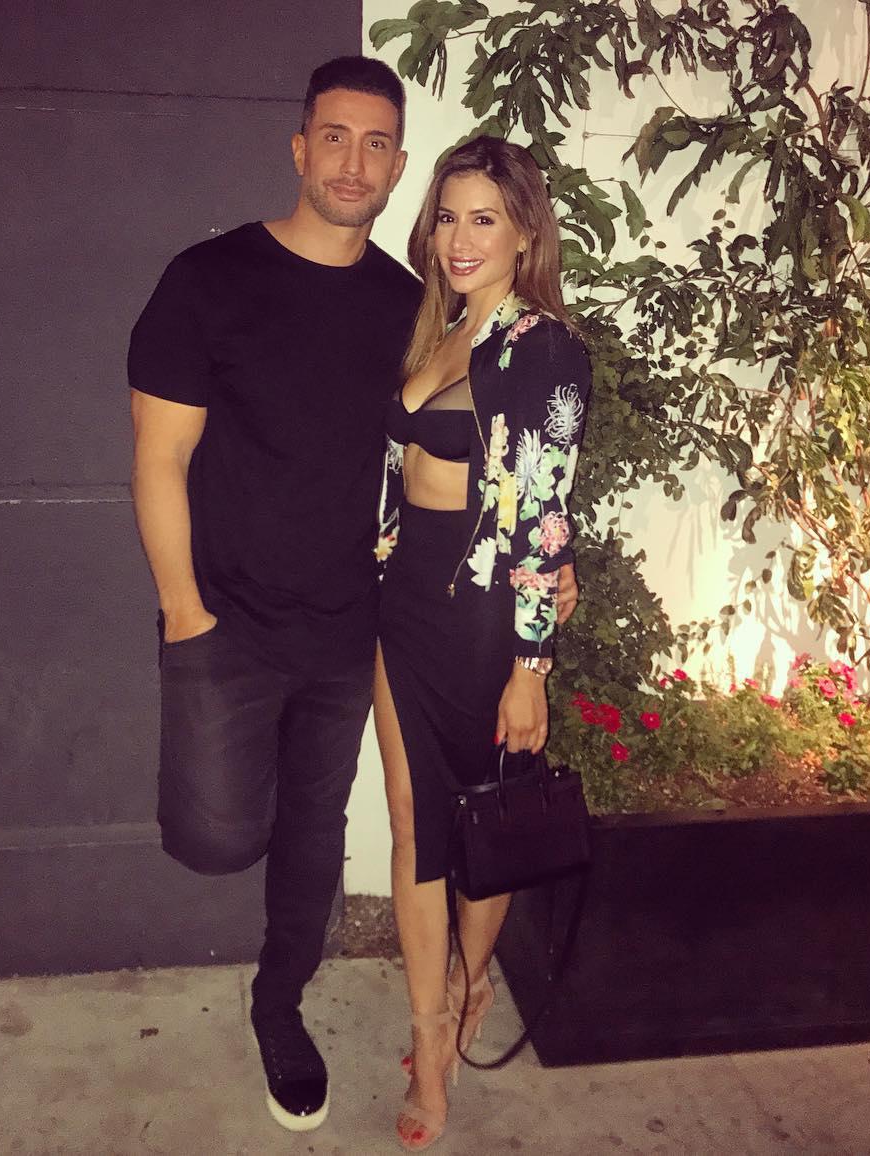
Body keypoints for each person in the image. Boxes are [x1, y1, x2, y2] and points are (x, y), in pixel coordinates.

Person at [126, 57, 419, 1131]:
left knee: (311, 832)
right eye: (335, 136)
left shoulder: (409, 307)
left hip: (346, 630)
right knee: (214, 837)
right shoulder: (207, 281)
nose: (353, 161)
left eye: (376, 143)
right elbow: (158, 457)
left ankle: (279, 1004)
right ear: (300, 148)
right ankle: (262, 945)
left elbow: (455, 454)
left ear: (397, 166)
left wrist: (544, 556)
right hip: (228, 623)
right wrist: (183, 613)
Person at [374, 136, 592, 1151]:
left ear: (525, 233)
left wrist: (530, 667)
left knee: (484, 822)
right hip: (400, 603)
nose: (460, 240)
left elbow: (544, 516)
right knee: (411, 819)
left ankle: (468, 995)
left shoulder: (543, 348)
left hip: (481, 616)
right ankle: (430, 1031)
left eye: (484, 220)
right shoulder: (438, 327)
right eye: (448, 218)